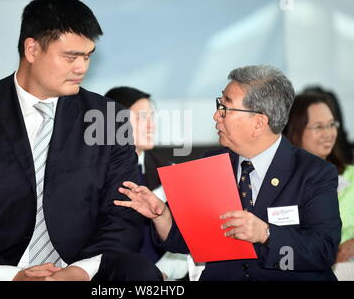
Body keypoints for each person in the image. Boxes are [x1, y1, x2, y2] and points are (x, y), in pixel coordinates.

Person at [0, 0, 162, 281]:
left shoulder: (109, 117)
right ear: (32, 50)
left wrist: (78, 272)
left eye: (87, 56)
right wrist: (10, 275)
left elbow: (123, 216)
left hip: (82, 270)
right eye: (71, 57)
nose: (82, 68)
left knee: (139, 273)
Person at [114, 65, 341, 280]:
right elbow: (188, 241)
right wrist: (161, 216)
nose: (216, 116)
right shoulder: (211, 163)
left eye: (225, 108)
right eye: (218, 105)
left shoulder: (314, 173)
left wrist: (266, 234)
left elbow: (323, 252)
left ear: (259, 122)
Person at [105, 86, 188, 280]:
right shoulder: (92, 173)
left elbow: (184, 240)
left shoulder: (170, 172)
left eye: (151, 117)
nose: (151, 125)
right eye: (141, 117)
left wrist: (160, 273)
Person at [283, 93, 354, 264]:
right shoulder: (281, 182)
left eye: (331, 125)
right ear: (295, 131)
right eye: (318, 127)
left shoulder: (351, 175)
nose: (328, 133)